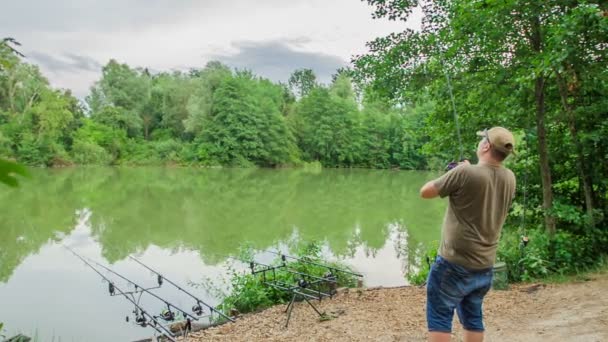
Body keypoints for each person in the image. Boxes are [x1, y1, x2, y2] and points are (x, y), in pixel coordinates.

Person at [419, 127, 517, 342]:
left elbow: (425, 192)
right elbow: (484, 181)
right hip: (485, 264)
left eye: (483, 139)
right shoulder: (510, 177)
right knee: (473, 317)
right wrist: (464, 171)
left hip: (453, 263)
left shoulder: (465, 172)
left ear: (486, 146)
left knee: (439, 317)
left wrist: (454, 172)